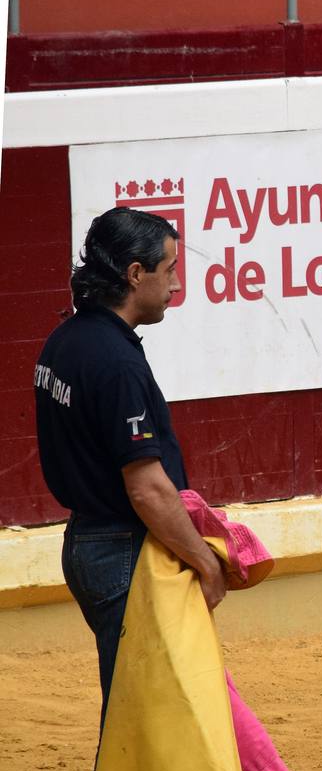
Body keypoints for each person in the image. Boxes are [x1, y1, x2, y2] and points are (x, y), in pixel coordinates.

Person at [33, 207, 228, 728]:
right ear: (135, 274)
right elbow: (147, 489)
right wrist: (206, 562)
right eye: (168, 269)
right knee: (146, 716)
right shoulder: (115, 362)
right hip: (122, 550)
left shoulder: (66, 340)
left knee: (135, 706)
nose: (177, 282)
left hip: (88, 542)